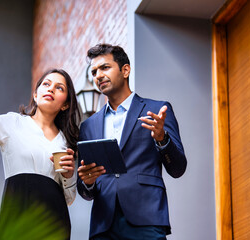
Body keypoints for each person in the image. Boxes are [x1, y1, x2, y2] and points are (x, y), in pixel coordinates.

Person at [0, 42, 80, 240]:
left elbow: (69, 198)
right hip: (18, 212)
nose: (51, 89)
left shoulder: (65, 142)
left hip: (55, 221)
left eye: (59, 88)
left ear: (66, 104)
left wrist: (69, 175)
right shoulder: (12, 123)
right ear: (35, 94)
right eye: (46, 84)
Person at [77, 43, 187, 240]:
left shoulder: (157, 110)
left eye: (105, 67)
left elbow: (178, 168)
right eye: (94, 72)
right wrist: (88, 182)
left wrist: (162, 139)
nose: (98, 75)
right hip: (103, 226)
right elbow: (85, 191)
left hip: (147, 217)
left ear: (125, 70)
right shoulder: (88, 126)